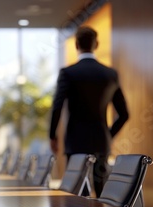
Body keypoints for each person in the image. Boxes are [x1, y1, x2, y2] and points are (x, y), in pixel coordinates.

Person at [49, 26, 129, 197]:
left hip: (75, 141)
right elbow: (124, 114)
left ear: (76, 44)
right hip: (101, 140)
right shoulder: (110, 74)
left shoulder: (68, 73)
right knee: (102, 193)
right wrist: (108, 134)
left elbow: (57, 106)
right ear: (96, 44)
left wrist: (53, 136)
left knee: (78, 192)